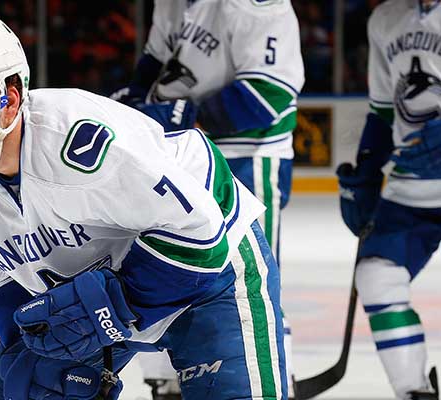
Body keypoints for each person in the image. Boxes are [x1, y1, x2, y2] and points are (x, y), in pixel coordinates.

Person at [0, 15, 288, 400]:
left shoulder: (81, 140)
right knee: (23, 386)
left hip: (210, 266)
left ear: (10, 99)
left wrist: (111, 311)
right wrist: (40, 344)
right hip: (98, 293)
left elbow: (199, 236)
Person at [110, 1, 304, 396]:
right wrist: (136, 104)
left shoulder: (258, 6)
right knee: (166, 261)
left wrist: (173, 116)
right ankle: (166, 383)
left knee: (252, 277)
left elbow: (267, 95)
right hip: (182, 154)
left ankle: (272, 381)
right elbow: (155, 59)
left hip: (247, 155)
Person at [336, 0, 441, 398]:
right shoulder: (385, 19)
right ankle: (414, 391)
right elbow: (382, 110)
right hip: (411, 183)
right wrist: (366, 171)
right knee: (377, 275)